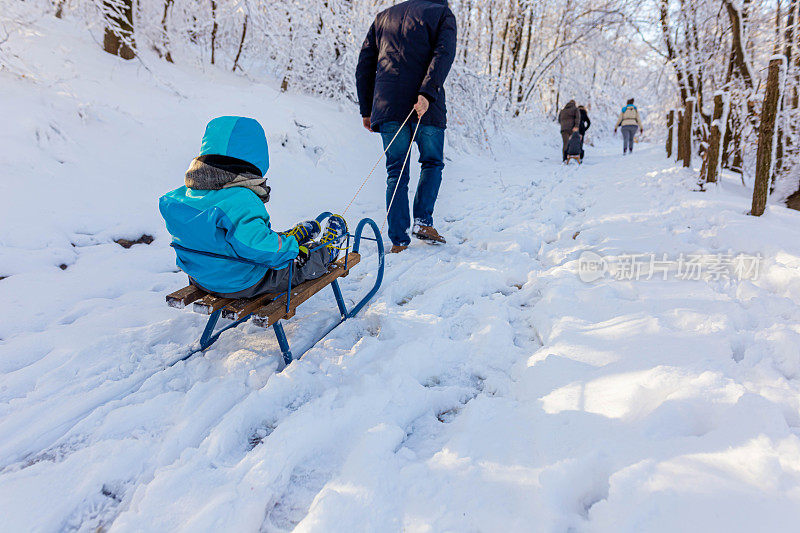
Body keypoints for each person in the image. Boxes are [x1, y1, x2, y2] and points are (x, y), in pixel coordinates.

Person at [159, 116, 347, 299]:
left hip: (200, 277)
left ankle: (286, 240)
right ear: (255, 156)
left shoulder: (181, 197)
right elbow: (254, 247)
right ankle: (325, 251)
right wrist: (293, 252)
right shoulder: (239, 199)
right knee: (295, 265)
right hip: (242, 282)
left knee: (250, 235)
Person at [355, 0, 457, 254]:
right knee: (432, 162)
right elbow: (443, 54)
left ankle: (399, 239)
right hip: (426, 106)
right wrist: (426, 93)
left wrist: (367, 109)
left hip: (388, 105)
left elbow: (364, 66)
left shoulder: (384, 16)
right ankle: (422, 221)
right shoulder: (442, 13)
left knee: (396, 171)